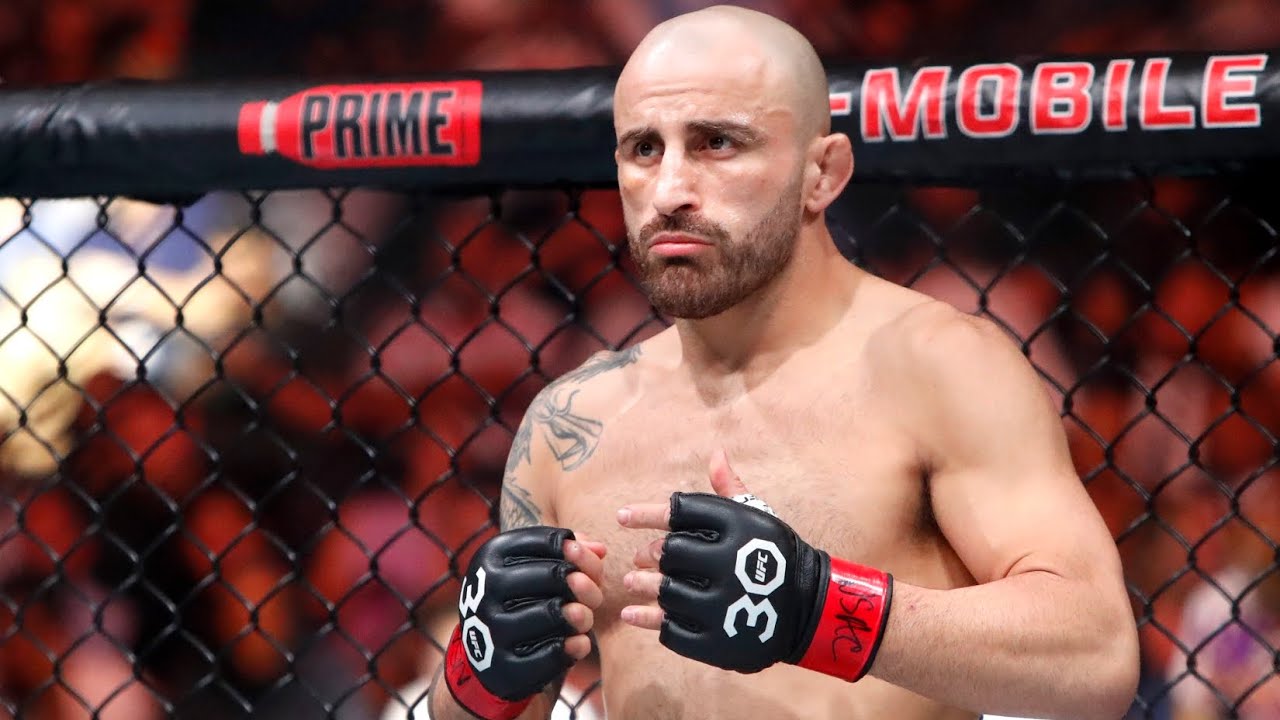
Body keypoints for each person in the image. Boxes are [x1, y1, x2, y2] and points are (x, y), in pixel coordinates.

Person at [424, 5, 1139, 719]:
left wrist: (819, 610)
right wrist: (480, 669)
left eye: (717, 143)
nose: (669, 191)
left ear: (822, 173)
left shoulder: (938, 366)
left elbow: (1096, 655)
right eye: (644, 149)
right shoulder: (570, 422)